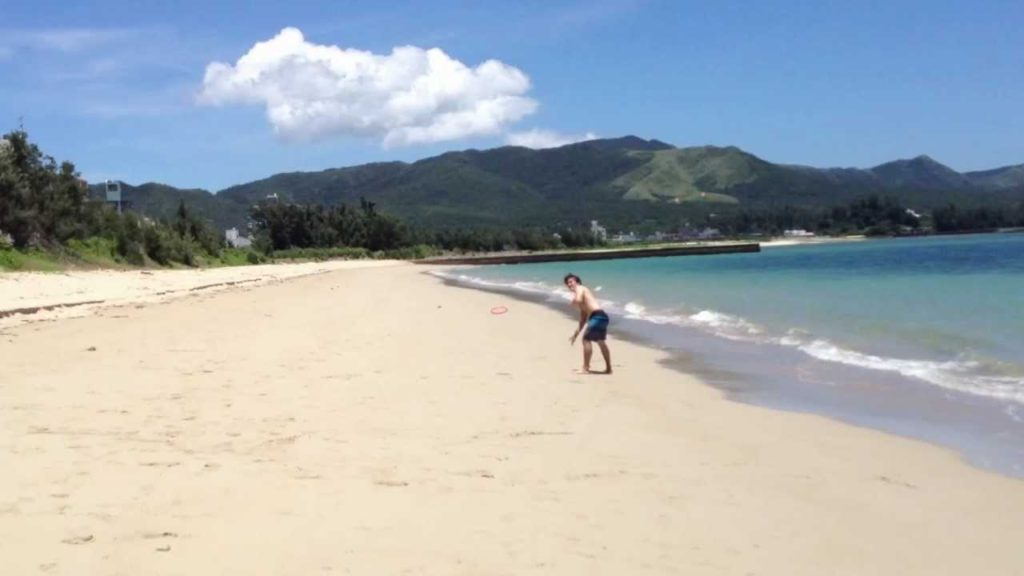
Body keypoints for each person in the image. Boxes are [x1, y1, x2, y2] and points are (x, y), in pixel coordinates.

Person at [564, 273, 612, 374]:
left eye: (571, 282)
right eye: (567, 283)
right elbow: (582, 320)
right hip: (602, 317)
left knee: (586, 339)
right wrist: (575, 335)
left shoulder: (580, 288)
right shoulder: (583, 303)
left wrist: (573, 302)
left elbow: (578, 299)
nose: (569, 284)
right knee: (600, 341)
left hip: (597, 316)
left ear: (577, 282)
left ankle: (585, 368)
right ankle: (609, 369)